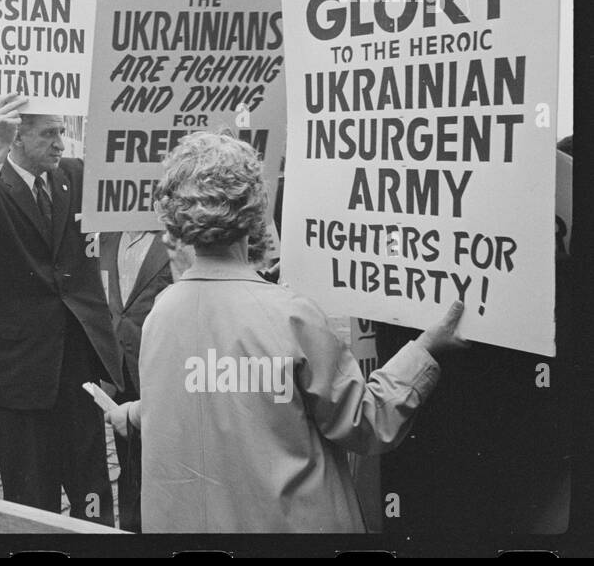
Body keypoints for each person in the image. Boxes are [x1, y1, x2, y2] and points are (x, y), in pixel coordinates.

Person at [104, 132, 467, 532]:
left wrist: (133, 413)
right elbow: (367, 422)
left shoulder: (162, 314)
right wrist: (425, 348)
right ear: (253, 212)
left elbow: (195, 391)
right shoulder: (291, 316)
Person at [0, 94, 123, 524]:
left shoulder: (74, 177)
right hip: (18, 372)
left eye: (62, 132)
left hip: (77, 363)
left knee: (91, 487)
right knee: (30, 495)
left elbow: (133, 183)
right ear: (18, 137)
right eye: (49, 133)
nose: (61, 143)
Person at [98, 228, 174, 532]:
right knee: (129, 465)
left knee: (161, 465)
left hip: (158, 370)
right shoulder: (104, 237)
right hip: (120, 371)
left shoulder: (172, 238)